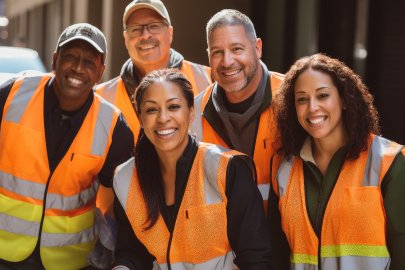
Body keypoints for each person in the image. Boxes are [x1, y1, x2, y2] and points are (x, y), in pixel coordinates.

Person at [0, 23, 134, 269]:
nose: (77, 68)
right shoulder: (13, 95)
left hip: (68, 261)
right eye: (70, 57)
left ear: (100, 72)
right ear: (55, 60)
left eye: (89, 62)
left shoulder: (113, 126)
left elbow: (120, 200)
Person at [110, 68, 272, 269]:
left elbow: (256, 259)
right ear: (141, 119)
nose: (163, 118)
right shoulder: (124, 178)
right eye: (151, 110)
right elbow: (132, 252)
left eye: (173, 107)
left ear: (191, 112)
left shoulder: (228, 169)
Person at [268, 53, 405, 269]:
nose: (312, 107)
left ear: (344, 100)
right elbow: (276, 253)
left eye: (323, 95)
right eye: (302, 99)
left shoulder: (388, 162)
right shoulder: (283, 168)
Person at [191, 9, 284, 208]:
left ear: (257, 48)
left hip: (283, 236)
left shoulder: (292, 100)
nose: (227, 61)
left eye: (236, 49)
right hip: (220, 237)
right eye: (217, 52)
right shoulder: (193, 114)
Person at [95, 0, 212, 142]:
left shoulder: (209, 80)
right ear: (126, 39)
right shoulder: (100, 96)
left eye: (154, 26)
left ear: (170, 33)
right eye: (136, 29)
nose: (145, 35)